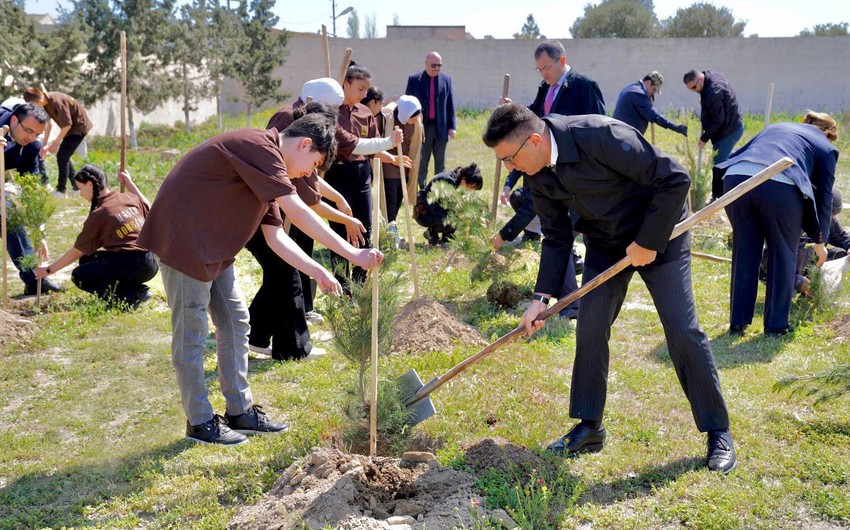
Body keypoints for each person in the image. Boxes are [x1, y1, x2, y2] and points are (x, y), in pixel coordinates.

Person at [483, 103, 735, 474]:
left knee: (681, 329)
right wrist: (540, 299)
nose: (509, 169)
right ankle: (589, 426)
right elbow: (556, 236)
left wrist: (649, 241)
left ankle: (718, 430)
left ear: (534, 141)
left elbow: (675, 179)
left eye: (509, 159)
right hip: (606, 241)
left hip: (660, 231)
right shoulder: (535, 171)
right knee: (590, 326)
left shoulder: (600, 136)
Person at [137, 113, 384, 446]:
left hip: (214, 249)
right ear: (304, 144)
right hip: (185, 245)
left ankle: (240, 411)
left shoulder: (267, 170)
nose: (311, 173)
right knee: (191, 336)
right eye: (315, 164)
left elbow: (276, 237)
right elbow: (298, 212)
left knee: (236, 321)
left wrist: (318, 271)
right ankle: (199, 422)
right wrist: (354, 255)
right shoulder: (259, 147)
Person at [267, 77, 404, 325]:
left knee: (299, 257)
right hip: (283, 205)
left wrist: (339, 200)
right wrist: (344, 219)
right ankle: (282, 326)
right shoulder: (288, 120)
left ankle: (294, 315)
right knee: (285, 266)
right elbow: (307, 199)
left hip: (295, 202)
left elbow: (311, 181)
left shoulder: (309, 126)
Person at [494, 39, 606, 319]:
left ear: (562, 61)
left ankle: (589, 297)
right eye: (539, 69)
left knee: (580, 233)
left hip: (576, 172)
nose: (543, 73)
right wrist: (515, 111)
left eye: (547, 67)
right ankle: (570, 302)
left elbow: (599, 127)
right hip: (548, 169)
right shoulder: (546, 87)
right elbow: (536, 119)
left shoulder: (584, 86)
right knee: (557, 232)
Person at [717, 111, 839, 337]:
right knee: (783, 254)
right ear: (828, 132)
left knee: (745, 252)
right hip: (778, 185)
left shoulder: (778, 126)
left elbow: (737, 154)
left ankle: (737, 323)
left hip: (736, 180)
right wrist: (820, 241)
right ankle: (775, 326)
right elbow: (824, 197)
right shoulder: (826, 145)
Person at [325, 64, 404, 291]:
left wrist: (392, 159)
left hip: (361, 175)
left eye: (366, 90)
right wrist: (388, 143)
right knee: (341, 230)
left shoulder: (365, 112)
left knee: (365, 230)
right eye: (360, 89)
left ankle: (359, 287)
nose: (364, 95)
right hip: (337, 174)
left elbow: (371, 146)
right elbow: (351, 144)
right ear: (345, 84)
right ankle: (341, 287)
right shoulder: (331, 110)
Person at [34, 165, 157, 308]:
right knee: (87, 260)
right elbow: (147, 205)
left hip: (134, 265)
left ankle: (131, 295)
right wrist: (130, 183)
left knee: (80, 276)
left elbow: (77, 250)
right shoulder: (129, 197)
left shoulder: (101, 213)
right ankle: (133, 290)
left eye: (80, 189)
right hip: (151, 262)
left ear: (90, 184)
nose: (80, 194)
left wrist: (49, 270)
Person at [0, 102, 63, 295]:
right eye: (28, 130)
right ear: (13, 120)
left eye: (37, 134)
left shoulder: (31, 147)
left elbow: (32, 193)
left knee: (10, 218)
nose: (32, 137)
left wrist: (39, 231)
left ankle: (34, 278)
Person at [761, 187, 850, 297]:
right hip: (780, 270)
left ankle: (813, 295)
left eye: (833, 216)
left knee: (840, 253)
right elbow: (767, 257)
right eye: (829, 215)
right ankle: (787, 290)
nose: (831, 219)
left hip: (808, 264)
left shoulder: (828, 221)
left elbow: (843, 238)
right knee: (808, 248)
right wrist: (797, 281)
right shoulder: (793, 218)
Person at [683, 70, 744, 202]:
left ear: (700, 79)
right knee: (722, 159)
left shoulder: (713, 92)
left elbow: (718, 119)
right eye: (690, 89)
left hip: (729, 130)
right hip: (728, 126)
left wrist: (704, 138)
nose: (693, 91)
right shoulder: (710, 77)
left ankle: (718, 197)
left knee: (718, 164)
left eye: (694, 87)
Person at [23, 87, 93, 196]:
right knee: (64, 156)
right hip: (70, 128)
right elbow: (48, 125)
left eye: (35, 105)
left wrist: (55, 144)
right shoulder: (45, 103)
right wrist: (44, 145)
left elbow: (67, 125)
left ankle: (61, 190)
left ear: (39, 101)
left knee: (62, 156)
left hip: (79, 127)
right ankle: (76, 188)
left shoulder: (56, 101)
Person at [405, 51, 456, 188]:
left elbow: (450, 105)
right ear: (426, 64)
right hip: (422, 128)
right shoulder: (415, 80)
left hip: (441, 129)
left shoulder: (446, 80)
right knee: (422, 162)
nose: (437, 68)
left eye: (439, 65)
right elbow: (407, 104)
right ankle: (422, 192)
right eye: (434, 65)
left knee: (440, 164)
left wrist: (452, 127)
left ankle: (438, 192)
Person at [413, 163, 484, 246]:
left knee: (454, 216)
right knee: (452, 217)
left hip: (436, 209)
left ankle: (445, 239)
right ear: (464, 181)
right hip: (423, 211)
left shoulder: (458, 179)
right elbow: (436, 205)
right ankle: (432, 233)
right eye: (471, 187)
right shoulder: (448, 182)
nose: (470, 191)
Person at [613, 71, 688, 136]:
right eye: (654, 89)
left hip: (620, 134)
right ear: (648, 83)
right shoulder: (639, 94)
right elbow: (654, 116)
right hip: (625, 137)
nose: (653, 93)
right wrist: (675, 127)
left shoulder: (632, 87)